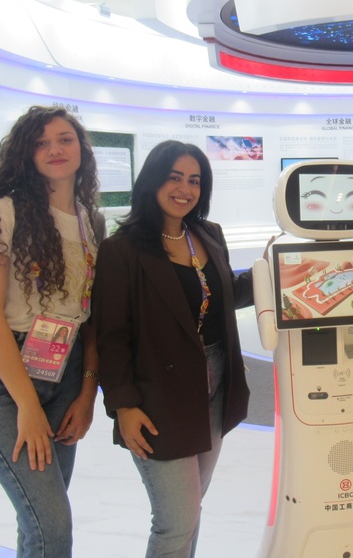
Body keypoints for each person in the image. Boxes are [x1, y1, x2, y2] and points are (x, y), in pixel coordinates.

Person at [92, 140, 253, 557]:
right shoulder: (121, 249)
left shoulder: (207, 234)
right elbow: (111, 336)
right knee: (176, 519)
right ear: (152, 181)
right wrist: (123, 406)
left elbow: (223, 294)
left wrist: (275, 268)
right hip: (158, 395)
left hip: (215, 381)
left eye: (195, 180)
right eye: (174, 177)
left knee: (191, 508)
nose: (185, 188)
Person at [0, 106, 102, 557]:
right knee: (52, 527)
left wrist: (85, 395)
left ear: (81, 148)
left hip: (65, 370)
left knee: (37, 521)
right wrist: (27, 405)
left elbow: (91, 314)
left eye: (64, 139)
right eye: (41, 143)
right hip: (1, 379)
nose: (54, 149)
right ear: (25, 153)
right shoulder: (2, 211)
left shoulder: (89, 219)